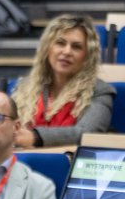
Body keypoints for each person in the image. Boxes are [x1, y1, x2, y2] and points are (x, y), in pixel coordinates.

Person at [11, 15, 115, 147]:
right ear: (47, 48)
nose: (67, 52)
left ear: (87, 56)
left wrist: (36, 137)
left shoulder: (100, 91)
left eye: (76, 47)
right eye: (60, 43)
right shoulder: (23, 87)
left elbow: (88, 133)